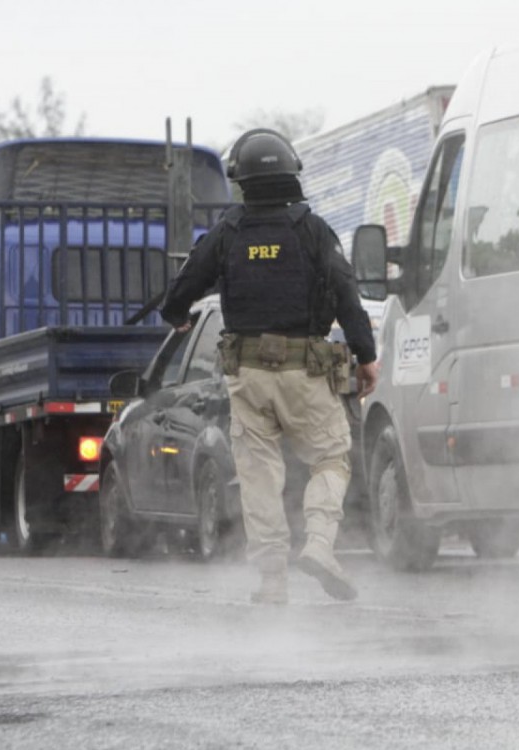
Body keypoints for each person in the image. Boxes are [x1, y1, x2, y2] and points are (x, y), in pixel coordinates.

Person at [161, 128, 379, 604]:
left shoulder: (229, 231)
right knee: (329, 458)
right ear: (291, 174)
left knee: (259, 475)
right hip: (306, 373)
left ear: (241, 180)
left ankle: (272, 580)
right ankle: (320, 545)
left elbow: (187, 281)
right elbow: (346, 292)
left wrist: (175, 316)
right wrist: (367, 356)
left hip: (248, 377)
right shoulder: (312, 229)